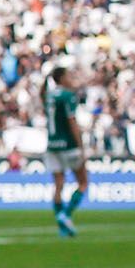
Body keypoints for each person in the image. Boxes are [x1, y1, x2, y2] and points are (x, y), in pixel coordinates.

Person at [44, 65, 90, 236]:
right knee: (83, 182)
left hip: (52, 145)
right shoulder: (68, 96)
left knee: (58, 186)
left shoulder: (49, 96)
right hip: (68, 146)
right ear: (62, 78)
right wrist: (81, 145)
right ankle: (66, 215)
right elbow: (72, 122)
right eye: (69, 76)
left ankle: (62, 228)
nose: (71, 78)